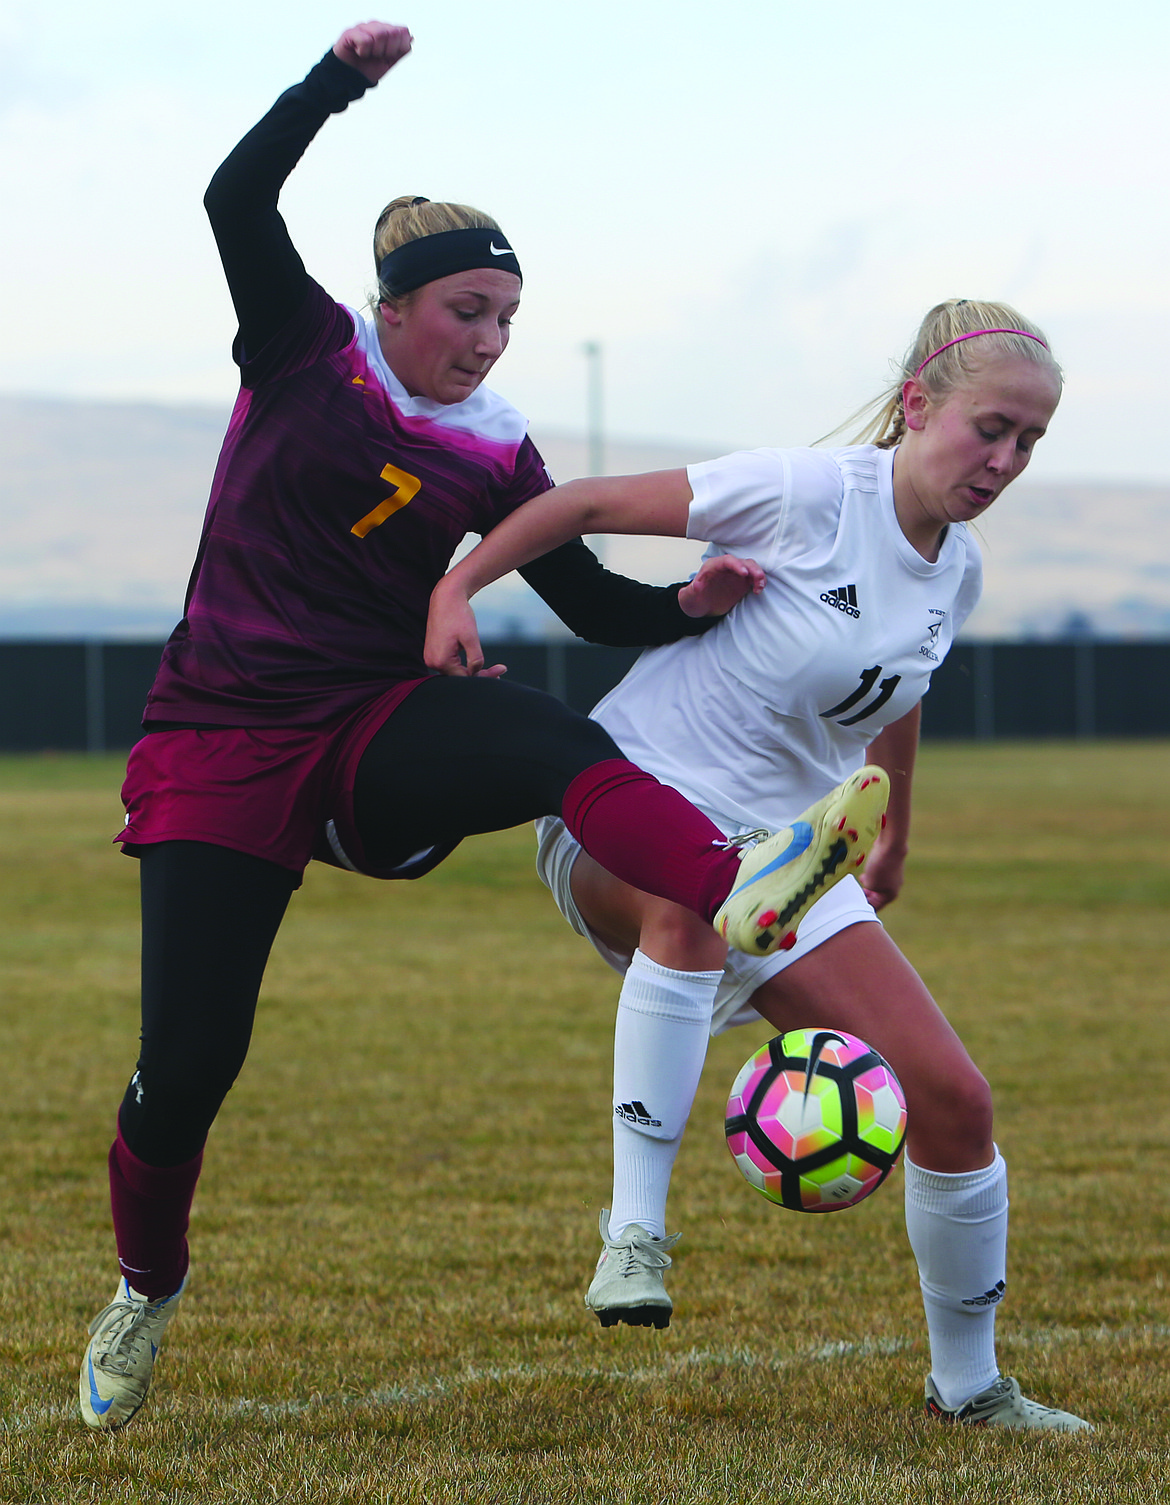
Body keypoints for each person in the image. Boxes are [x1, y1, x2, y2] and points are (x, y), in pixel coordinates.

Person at [78, 21, 888, 1432]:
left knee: (551, 744)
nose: (488, 338)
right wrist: (335, 82)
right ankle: (144, 1287)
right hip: (216, 738)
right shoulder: (302, 347)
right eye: (465, 310)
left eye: (505, 315)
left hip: (370, 726)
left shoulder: (498, 440)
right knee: (188, 1068)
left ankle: (732, 889)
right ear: (392, 306)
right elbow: (231, 199)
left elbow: (577, 594)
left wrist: (689, 604)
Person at [426, 300, 1092, 1432]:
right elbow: (581, 505)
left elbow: (898, 696)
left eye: (1029, 441)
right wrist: (456, 589)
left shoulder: (957, 569)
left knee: (954, 1101)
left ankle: (970, 1388)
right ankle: (633, 1230)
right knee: (700, 890)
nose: (1006, 459)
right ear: (919, 405)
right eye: (991, 427)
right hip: (628, 804)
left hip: (791, 860)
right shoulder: (807, 494)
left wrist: (895, 831)